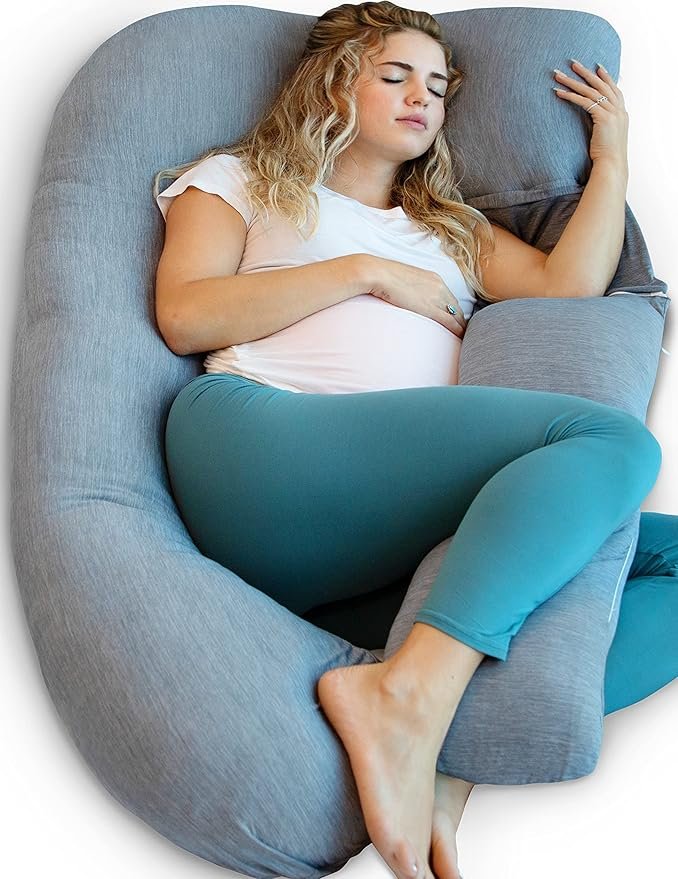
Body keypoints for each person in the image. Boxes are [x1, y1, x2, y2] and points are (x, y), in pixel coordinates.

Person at [152, 3, 676, 879]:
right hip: (259, 449)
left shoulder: (451, 231)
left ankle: (443, 742)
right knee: (607, 441)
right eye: (394, 75)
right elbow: (184, 314)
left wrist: (613, 154)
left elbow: (570, 282)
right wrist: (366, 271)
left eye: (437, 87)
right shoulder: (241, 181)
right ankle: (400, 697)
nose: (421, 98)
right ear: (331, 81)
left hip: (381, 546)